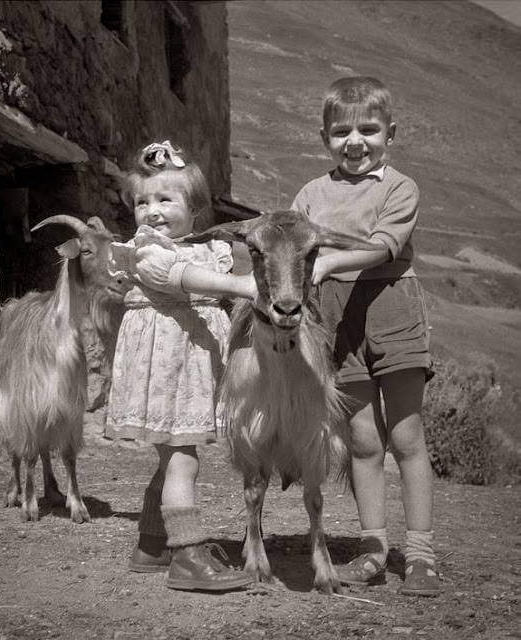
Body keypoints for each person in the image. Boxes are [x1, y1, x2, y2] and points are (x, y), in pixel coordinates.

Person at [290, 77, 440, 596]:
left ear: (390, 134)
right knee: (361, 439)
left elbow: (382, 249)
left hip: (391, 306)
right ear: (324, 137)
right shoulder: (310, 194)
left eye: (369, 129)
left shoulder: (400, 188)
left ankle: (420, 554)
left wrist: (327, 261)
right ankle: (373, 548)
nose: (355, 141)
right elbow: (292, 246)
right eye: (341, 131)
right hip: (335, 320)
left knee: (406, 436)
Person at [106, 140, 255, 592]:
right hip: (168, 367)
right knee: (182, 460)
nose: (151, 211)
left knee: (172, 456)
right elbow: (178, 277)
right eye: (141, 202)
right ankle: (187, 556)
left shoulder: (207, 246)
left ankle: (152, 543)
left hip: (188, 362)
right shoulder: (146, 249)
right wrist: (238, 286)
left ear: (195, 209)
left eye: (164, 199)